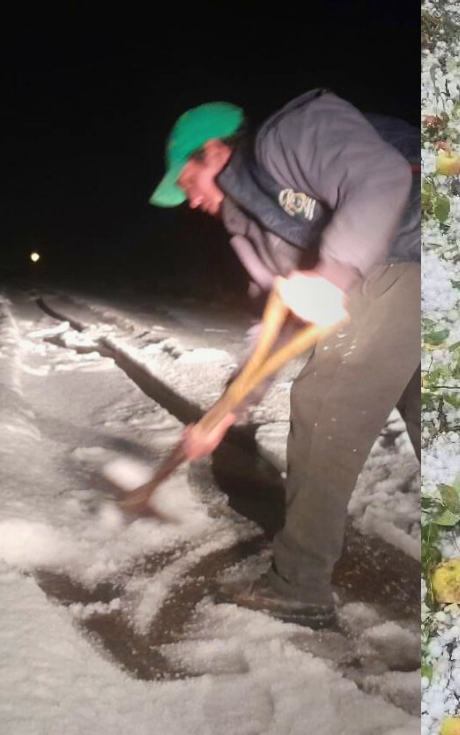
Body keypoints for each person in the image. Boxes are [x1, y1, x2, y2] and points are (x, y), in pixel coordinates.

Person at [149, 89, 420, 629]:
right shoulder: (249, 227)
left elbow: (384, 178)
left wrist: (332, 274)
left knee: (326, 401)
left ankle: (299, 585)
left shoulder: (290, 135)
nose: (191, 200)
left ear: (214, 152)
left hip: (423, 247)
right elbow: (278, 323)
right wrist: (228, 407)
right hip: (405, 277)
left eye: (186, 182)